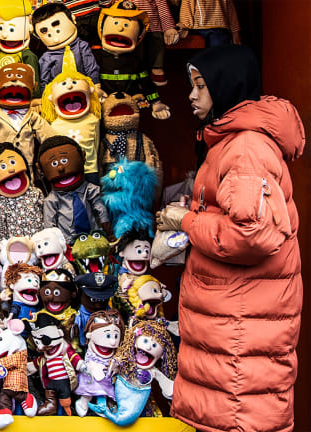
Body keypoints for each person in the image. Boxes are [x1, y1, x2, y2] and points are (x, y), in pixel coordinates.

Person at [156, 45, 304, 432]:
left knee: (238, 420)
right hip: (236, 320)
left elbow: (251, 234)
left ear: (226, 87)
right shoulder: (232, 142)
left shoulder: (245, 149)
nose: (191, 96)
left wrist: (187, 222)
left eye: (200, 86)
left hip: (240, 327)